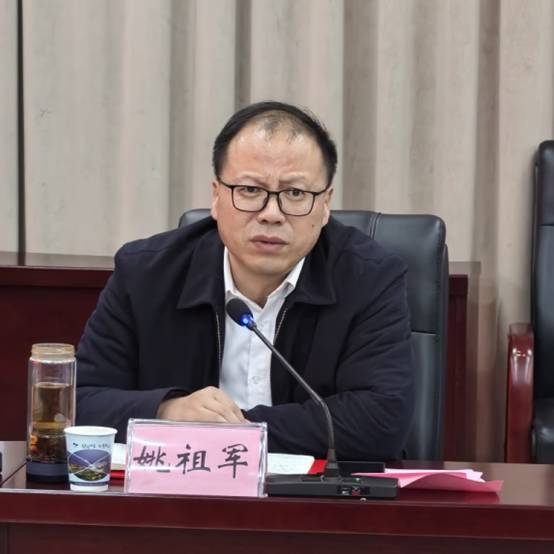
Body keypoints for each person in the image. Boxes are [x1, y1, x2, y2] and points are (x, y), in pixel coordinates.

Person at [76, 101, 414, 461]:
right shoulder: (145, 274)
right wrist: (168, 411)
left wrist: (234, 431)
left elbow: (382, 421)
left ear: (326, 204)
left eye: (295, 193)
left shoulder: (369, 279)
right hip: (181, 491)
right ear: (216, 196)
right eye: (250, 190)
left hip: (314, 495)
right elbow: (78, 401)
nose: (271, 214)